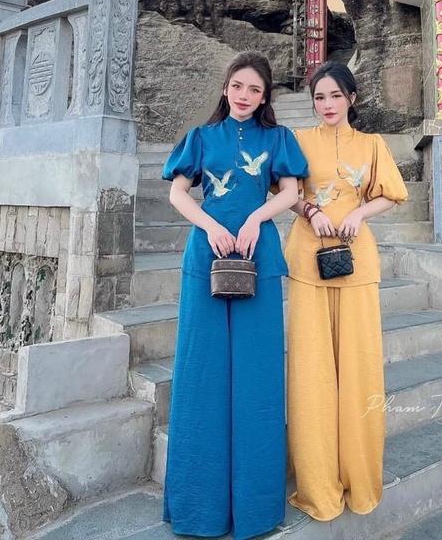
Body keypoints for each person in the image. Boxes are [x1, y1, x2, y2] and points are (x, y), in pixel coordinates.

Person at [160, 52, 308, 540]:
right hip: (206, 257)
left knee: (257, 376)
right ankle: (197, 510)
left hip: (257, 255)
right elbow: (178, 194)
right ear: (225, 88)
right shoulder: (201, 138)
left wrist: (255, 219)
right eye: (238, 86)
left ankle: (255, 510)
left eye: (255, 90)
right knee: (201, 373)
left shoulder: (277, 139)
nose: (245, 96)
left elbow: (290, 192)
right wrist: (210, 226)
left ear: (265, 98)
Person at [283, 61, 409, 521]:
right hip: (307, 260)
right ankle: (317, 483)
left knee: (358, 369)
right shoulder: (297, 141)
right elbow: (287, 192)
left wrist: (359, 213)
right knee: (312, 371)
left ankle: (359, 477)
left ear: (352, 98)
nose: (328, 104)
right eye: (320, 97)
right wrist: (311, 211)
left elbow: (391, 193)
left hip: (356, 262)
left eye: (336, 95)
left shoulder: (372, 145)